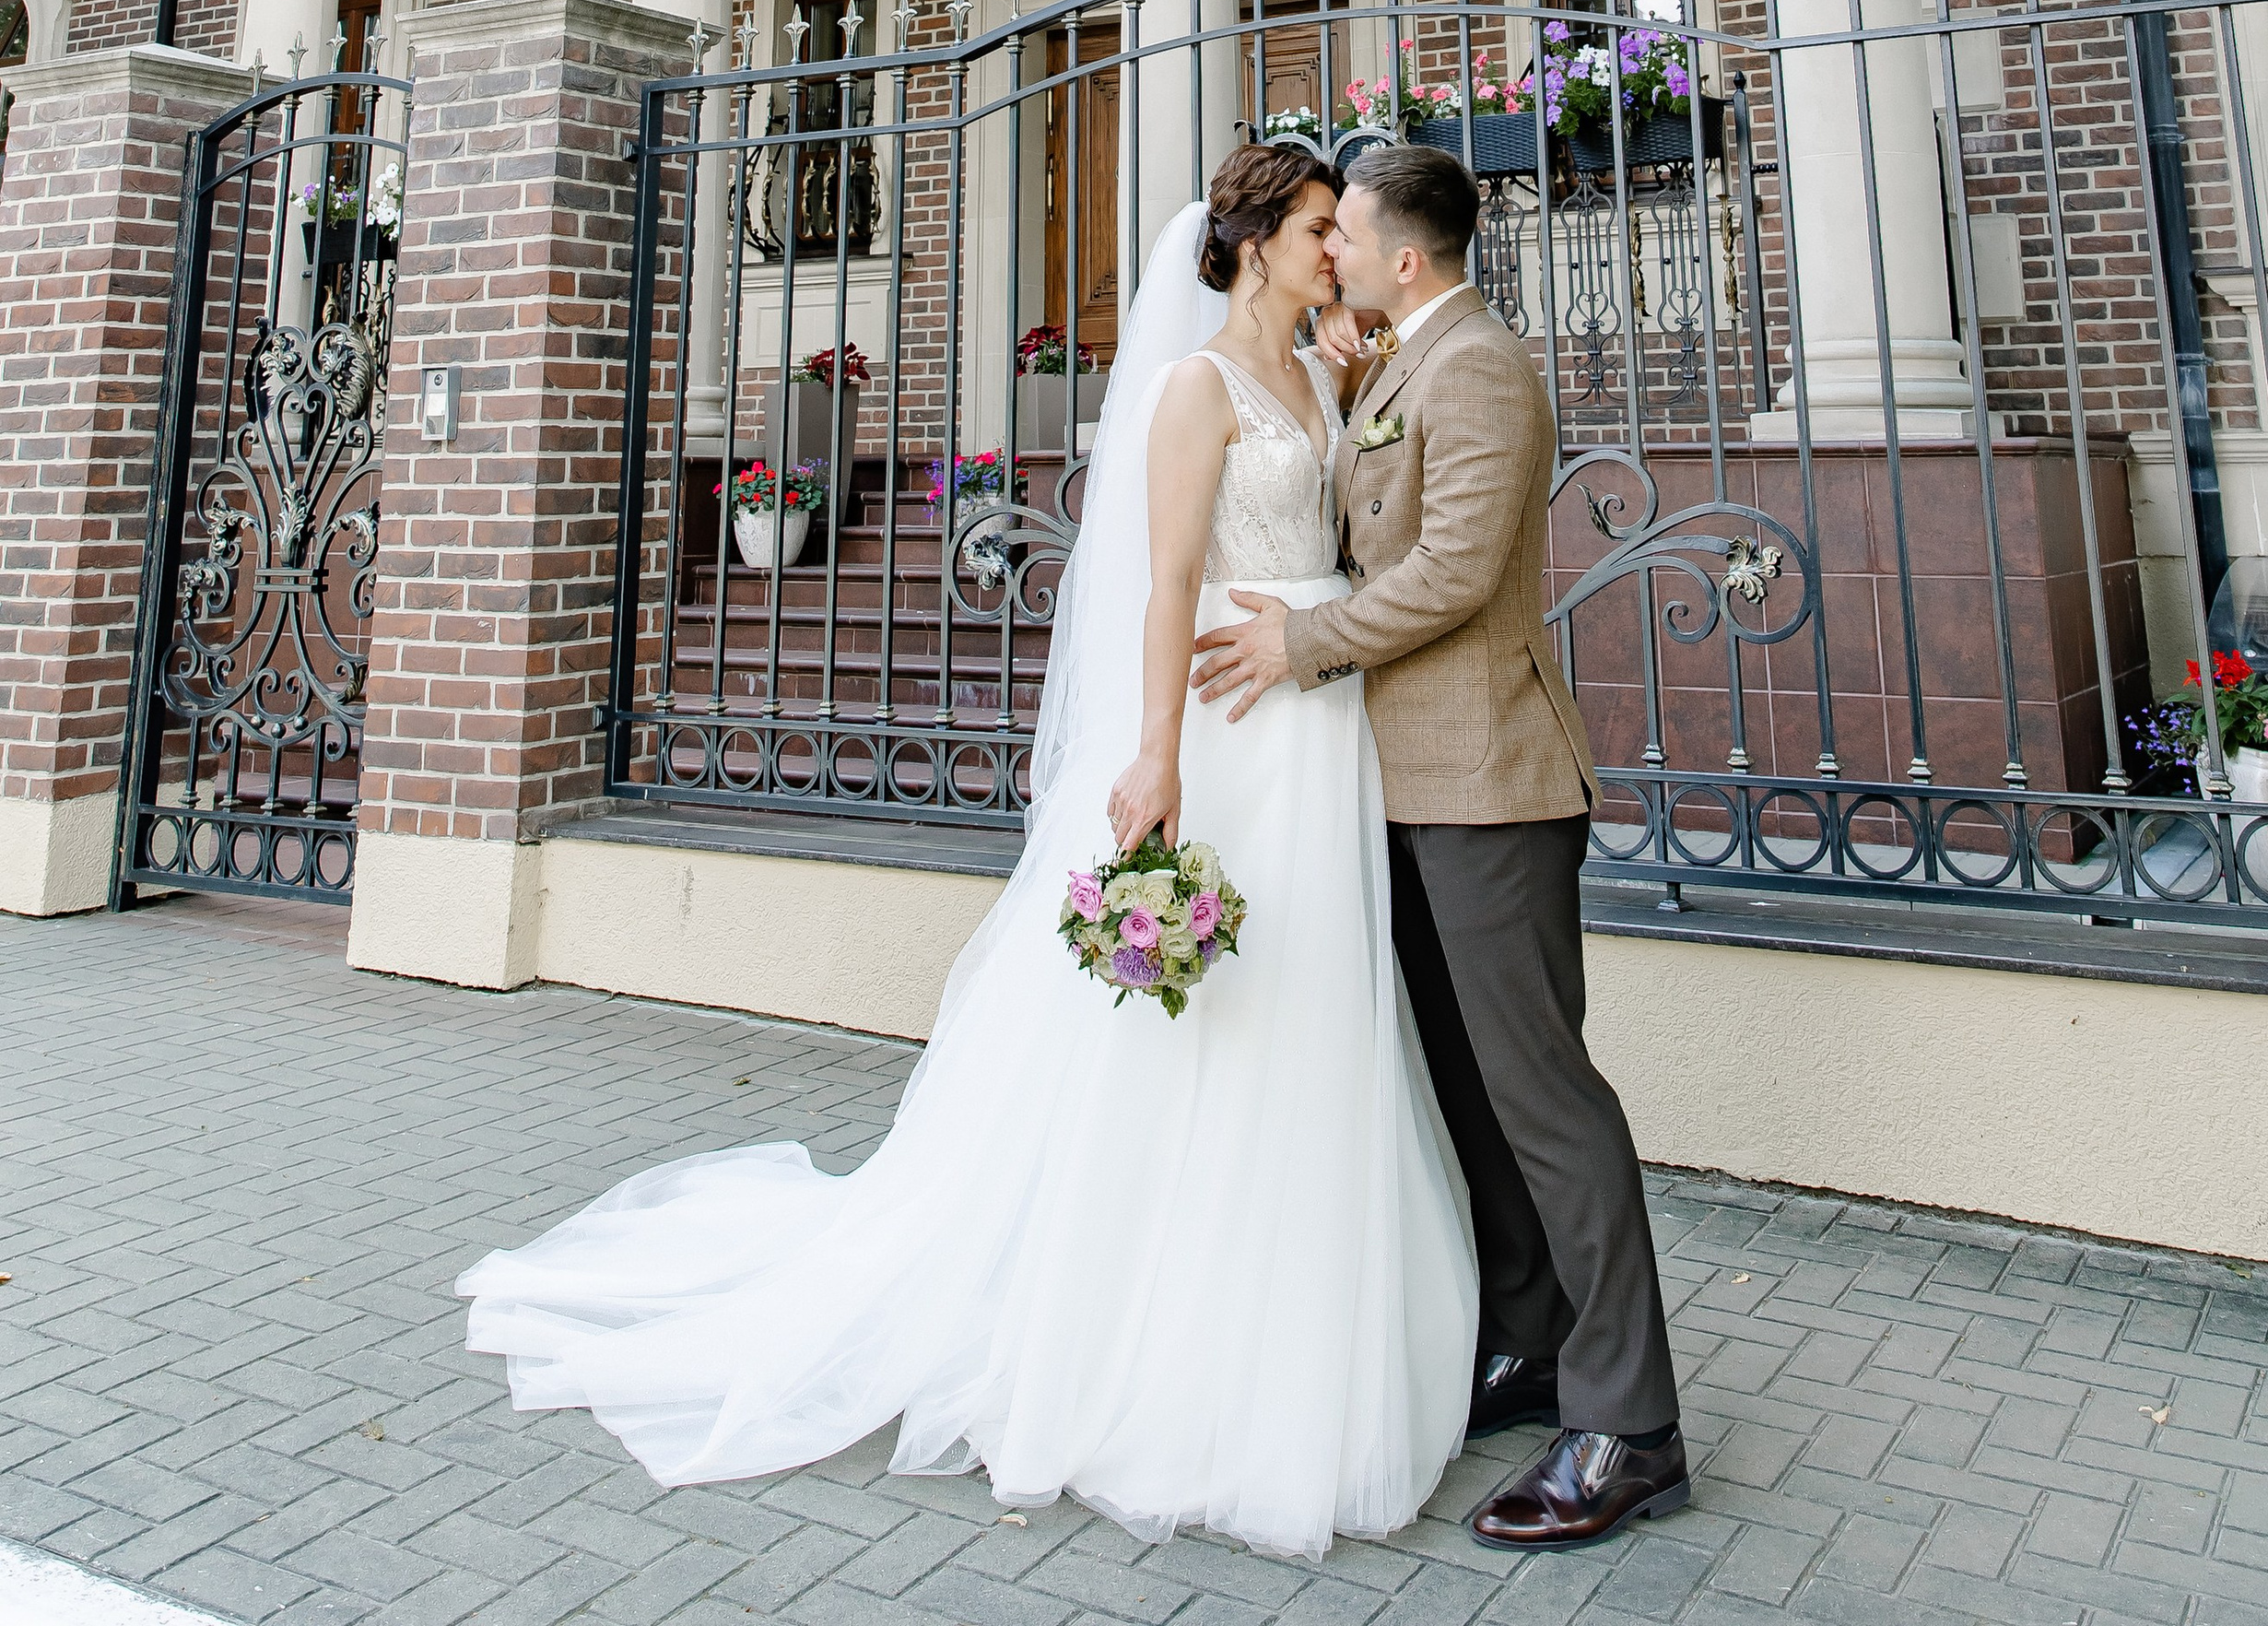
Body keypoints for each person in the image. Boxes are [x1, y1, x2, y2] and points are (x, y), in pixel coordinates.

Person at [457, 140, 1476, 1561]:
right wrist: (1158, 751)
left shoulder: (1323, 370)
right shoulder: (1197, 389)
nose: (1338, 248)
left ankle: (1290, 1306)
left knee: (1309, 999)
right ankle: (1136, 1333)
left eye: (1342, 232)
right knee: (1202, 1019)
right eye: (1317, 227)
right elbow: (1168, 579)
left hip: (1318, 720)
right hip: (1232, 728)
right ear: (1252, 242)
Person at [1192, 139, 1686, 1551]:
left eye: (1342, 230)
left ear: (1405, 256)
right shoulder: (1408, 356)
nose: (1326, 246)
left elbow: (1456, 572)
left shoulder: (1480, 368)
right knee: (1468, 1090)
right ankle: (1529, 1348)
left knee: (1545, 1098)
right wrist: (1342, 373)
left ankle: (1630, 1424)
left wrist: (1299, 643)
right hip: (1404, 786)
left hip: (1491, 782)